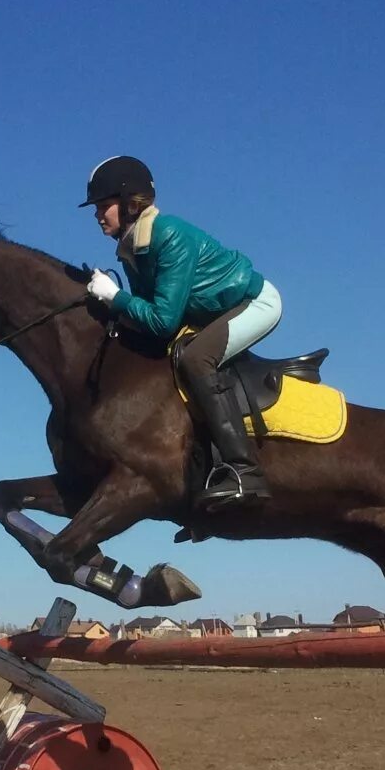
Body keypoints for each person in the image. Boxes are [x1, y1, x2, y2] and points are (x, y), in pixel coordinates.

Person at [80, 155, 282, 511]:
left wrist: (114, 297)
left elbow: (162, 321)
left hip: (254, 301)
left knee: (196, 358)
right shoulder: (132, 247)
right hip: (212, 312)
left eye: (103, 205)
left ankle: (244, 471)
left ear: (129, 203)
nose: (98, 215)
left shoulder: (167, 234)